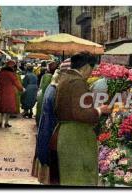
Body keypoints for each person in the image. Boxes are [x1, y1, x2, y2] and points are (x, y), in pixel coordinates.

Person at [51, 52, 111, 186]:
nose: (91, 73)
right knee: (81, 177)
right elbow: (82, 114)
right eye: (92, 69)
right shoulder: (78, 83)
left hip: (65, 133)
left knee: (69, 176)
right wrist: (100, 110)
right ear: (85, 67)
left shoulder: (65, 79)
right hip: (76, 136)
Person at [32, 69, 61, 184]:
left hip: (45, 127)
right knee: (49, 158)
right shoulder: (54, 91)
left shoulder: (50, 87)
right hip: (50, 128)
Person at [0, 60, 24, 128]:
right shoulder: (11, 74)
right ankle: (6, 123)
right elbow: (16, 83)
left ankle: (1, 122)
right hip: (9, 92)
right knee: (8, 109)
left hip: (1, 92)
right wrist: (21, 89)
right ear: (12, 67)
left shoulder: (1, 73)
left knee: (2, 108)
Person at [36, 61, 57, 125]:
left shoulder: (46, 76)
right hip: (47, 96)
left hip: (43, 95)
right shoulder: (51, 76)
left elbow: (42, 86)